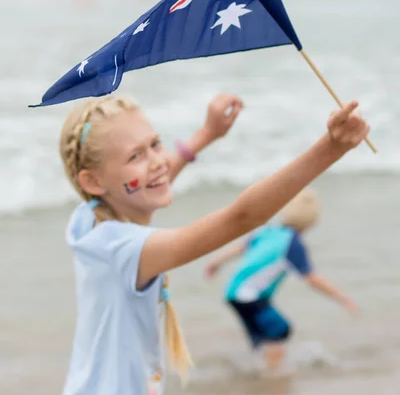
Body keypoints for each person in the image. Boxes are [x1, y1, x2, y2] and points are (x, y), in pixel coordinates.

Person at [59, 92, 368, 395]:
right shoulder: (125, 249)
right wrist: (331, 148)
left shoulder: (89, 222)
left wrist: (206, 135)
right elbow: (241, 218)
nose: (157, 162)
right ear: (93, 182)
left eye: (155, 144)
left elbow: (152, 181)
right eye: (135, 156)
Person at [205, 189, 358, 372]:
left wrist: (216, 262)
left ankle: (258, 375)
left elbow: (241, 247)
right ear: (311, 222)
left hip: (233, 292)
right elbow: (312, 278)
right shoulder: (293, 244)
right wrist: (343, 299)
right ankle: (274, 377)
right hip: (250, 296)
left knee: (261, 339)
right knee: (280, 330)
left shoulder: (269, 230)